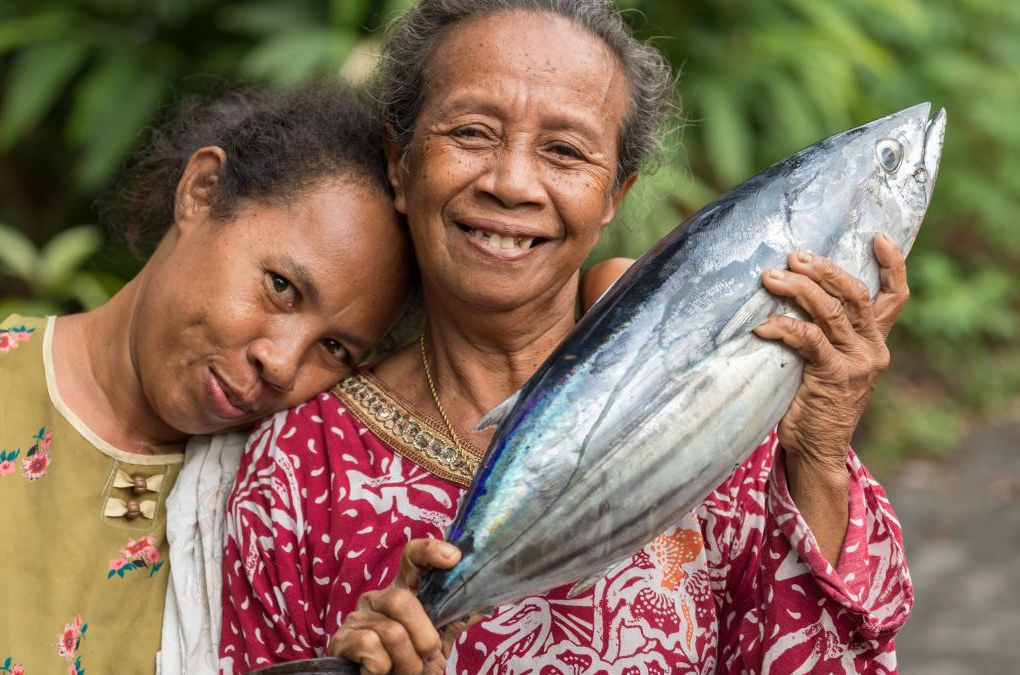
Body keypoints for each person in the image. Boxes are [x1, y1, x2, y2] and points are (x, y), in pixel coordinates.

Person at [218, 1, 914, 673]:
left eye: (565, 150)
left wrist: (819, 456)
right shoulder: (301, 467)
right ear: (400, 164)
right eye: (470, 132)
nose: (513, 182)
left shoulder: (728, 414)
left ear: (614, 194)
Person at [0, 87, 416, 674]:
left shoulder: (282, 516)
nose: (282, 364)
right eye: (282, 286)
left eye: (335, 349)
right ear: (201, 192)